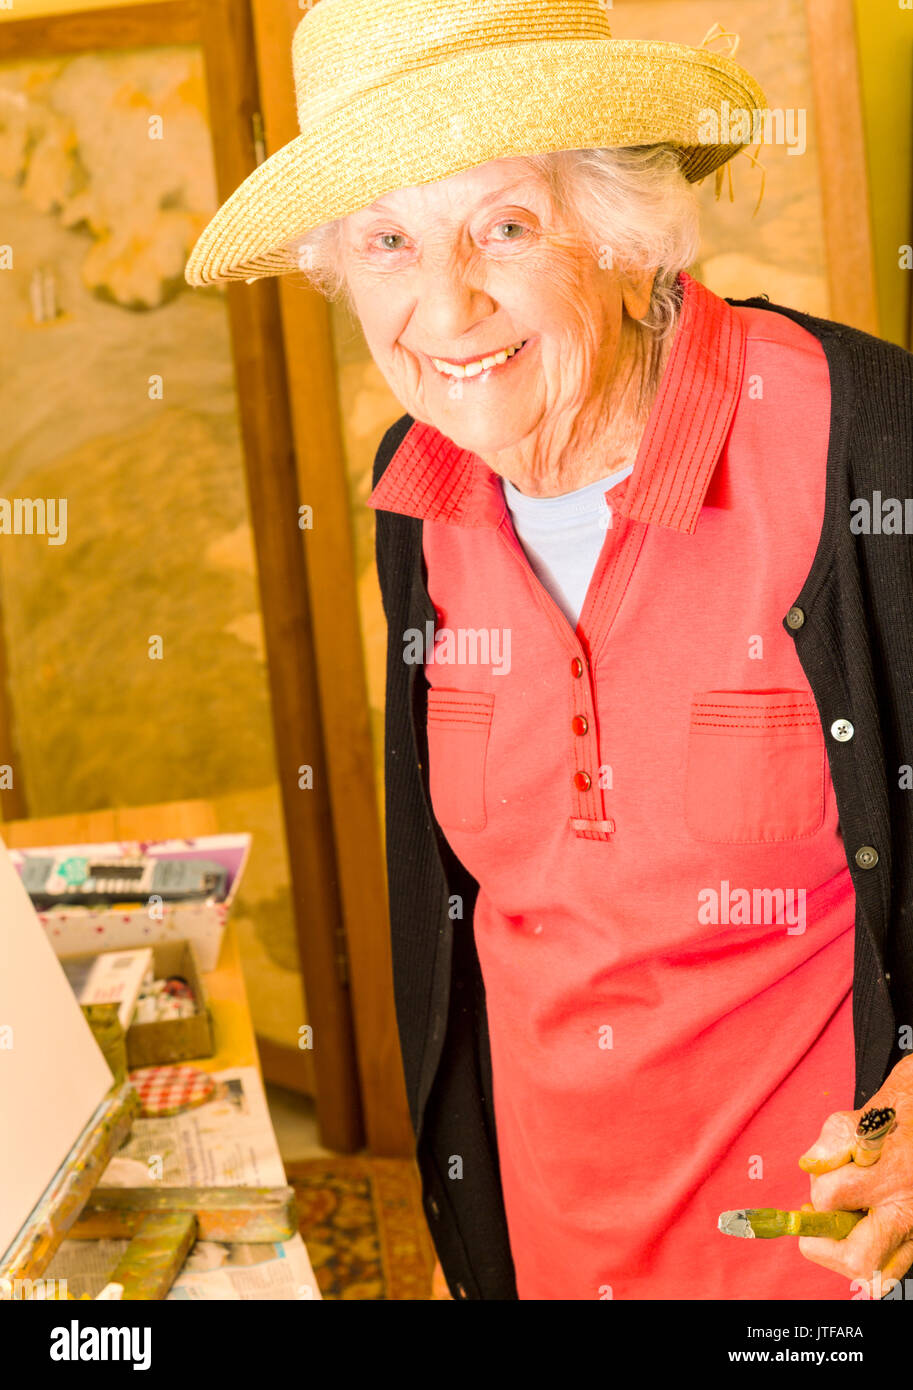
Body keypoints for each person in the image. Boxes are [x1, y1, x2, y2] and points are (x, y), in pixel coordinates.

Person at [186, 0, 913, 1300]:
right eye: (387, 242)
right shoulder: (415, 495)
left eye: (502, 227)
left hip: (813, 1281)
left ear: (622, 233)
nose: (444, 307)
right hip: (542, 1243)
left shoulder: (866, 445)